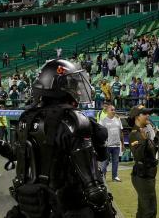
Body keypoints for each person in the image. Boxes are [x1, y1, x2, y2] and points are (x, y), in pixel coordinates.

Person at [6, 59, 115, 218]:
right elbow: (93, 188)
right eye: (73, 83)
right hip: (67, 208)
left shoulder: (25, 119)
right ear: (60, 85)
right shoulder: (73, 120)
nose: (77, 88)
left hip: (30, 208)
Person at [128, 106, 157, 218]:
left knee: (143, 210)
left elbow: (152, 152)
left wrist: (155, 137)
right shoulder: (134, 134)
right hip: (142, 175)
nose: (147, 116)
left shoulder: (144, 132)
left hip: (147, 174)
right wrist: (145, 141)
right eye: (144, 114)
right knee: (149, 211)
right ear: (137, 117)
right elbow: (138, 155)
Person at [99, 104, 123, 182]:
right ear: (107, 111)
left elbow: (120, 132)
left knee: (115, 162)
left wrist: (122, 143)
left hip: (116, 145)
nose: (113, 111)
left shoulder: (118, 120)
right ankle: (103, 178)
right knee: (104, 163)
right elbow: (100, 133)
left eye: (114, 110)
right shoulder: (102, 121)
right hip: (107, 145)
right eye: (111, 110)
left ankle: (115, 177)